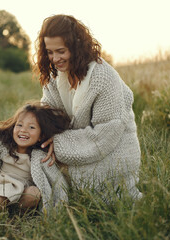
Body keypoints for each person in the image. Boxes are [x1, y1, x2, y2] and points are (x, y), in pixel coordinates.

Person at [34, 14, 142, 200]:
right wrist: (44, 134)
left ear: (76, 46)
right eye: (50, 52)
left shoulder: (103, 77)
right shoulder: (54, 77)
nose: (55, 58)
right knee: (34, 155)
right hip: (77, 148)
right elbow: (46, 115)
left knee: (97, 192)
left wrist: (58, 143)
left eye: (61, 51)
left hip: (112, 152)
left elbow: (107, 132)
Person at [0, 102, 71, 229]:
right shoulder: (3, 145)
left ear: (41, 136)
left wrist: (59, 203)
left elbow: (56, 180)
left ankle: (14, 217)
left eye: (32, 127)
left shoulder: (40, 156)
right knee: (5, 188)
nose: (24, 130)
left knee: (34, 193)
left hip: (21, 196)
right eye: (19, 125)